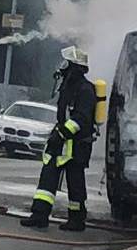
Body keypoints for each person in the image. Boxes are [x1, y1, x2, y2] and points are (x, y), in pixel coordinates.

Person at [20, 46, 97, 231]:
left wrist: (62, 133)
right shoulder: (68, 86)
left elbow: (82, 118)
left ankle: (77, 219)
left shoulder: (86, 89)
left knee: (75, 181)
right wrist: (59, 134)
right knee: (48, 176)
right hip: (63, 142)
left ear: (74, 67)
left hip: (77, 144)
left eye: (66, 63)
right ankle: (40, 215)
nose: (62, 66)